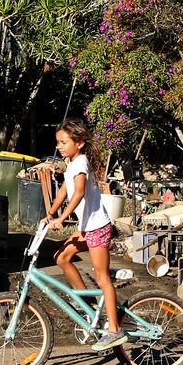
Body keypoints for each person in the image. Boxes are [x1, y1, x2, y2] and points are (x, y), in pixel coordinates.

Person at [41, 117, 127, 351]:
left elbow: (77, 193)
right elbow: (63, 191)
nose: (59, 146)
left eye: (63, 142)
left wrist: (61, 218)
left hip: (97, 227)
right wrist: (49, 214)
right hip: (86, 229)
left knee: (102, 279)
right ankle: (86, 302)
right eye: (58, 142)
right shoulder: (71, 163)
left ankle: (114, 330)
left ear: (78, 143)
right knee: (62, 257)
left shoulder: (81, 164)